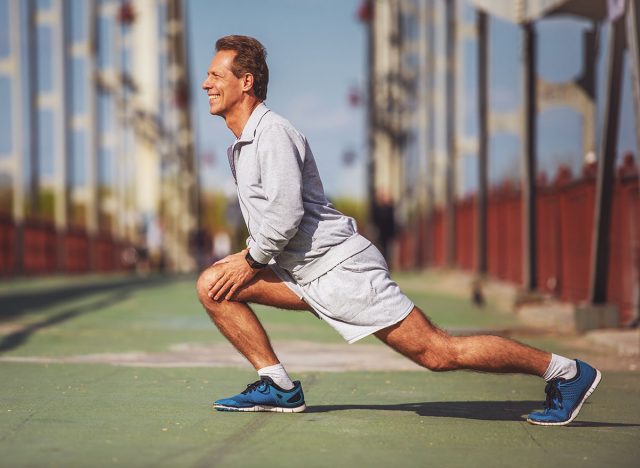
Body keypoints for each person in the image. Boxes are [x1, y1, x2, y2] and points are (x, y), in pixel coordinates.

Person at [196, 35, 600, 425]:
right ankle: (277, 385)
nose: (206, 84)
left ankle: (566, 373)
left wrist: (250, 260)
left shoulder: (272, 134)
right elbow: (274, 219)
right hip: (303, 272)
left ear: (245, 82)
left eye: (216, 75)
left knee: (438, 353)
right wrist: (246, 258)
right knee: (214, 284)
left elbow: (286, 215)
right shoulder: (247, 141)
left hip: (340, 271)